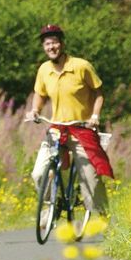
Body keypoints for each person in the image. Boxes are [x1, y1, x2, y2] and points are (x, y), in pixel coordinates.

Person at [24, 24, 113, 226]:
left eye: (55, 42)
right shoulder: (44, 70)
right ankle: (51, 204)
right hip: (57, 129)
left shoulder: (81, 66)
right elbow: (40, 94)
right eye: (47, 44)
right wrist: (35, 110)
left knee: (90, 177)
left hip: (81, 129)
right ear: (43, 47)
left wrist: (95, 115)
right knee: (39, 173)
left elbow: (99, 93)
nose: (51, 47)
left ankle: (103, 217)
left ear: (62, 44)